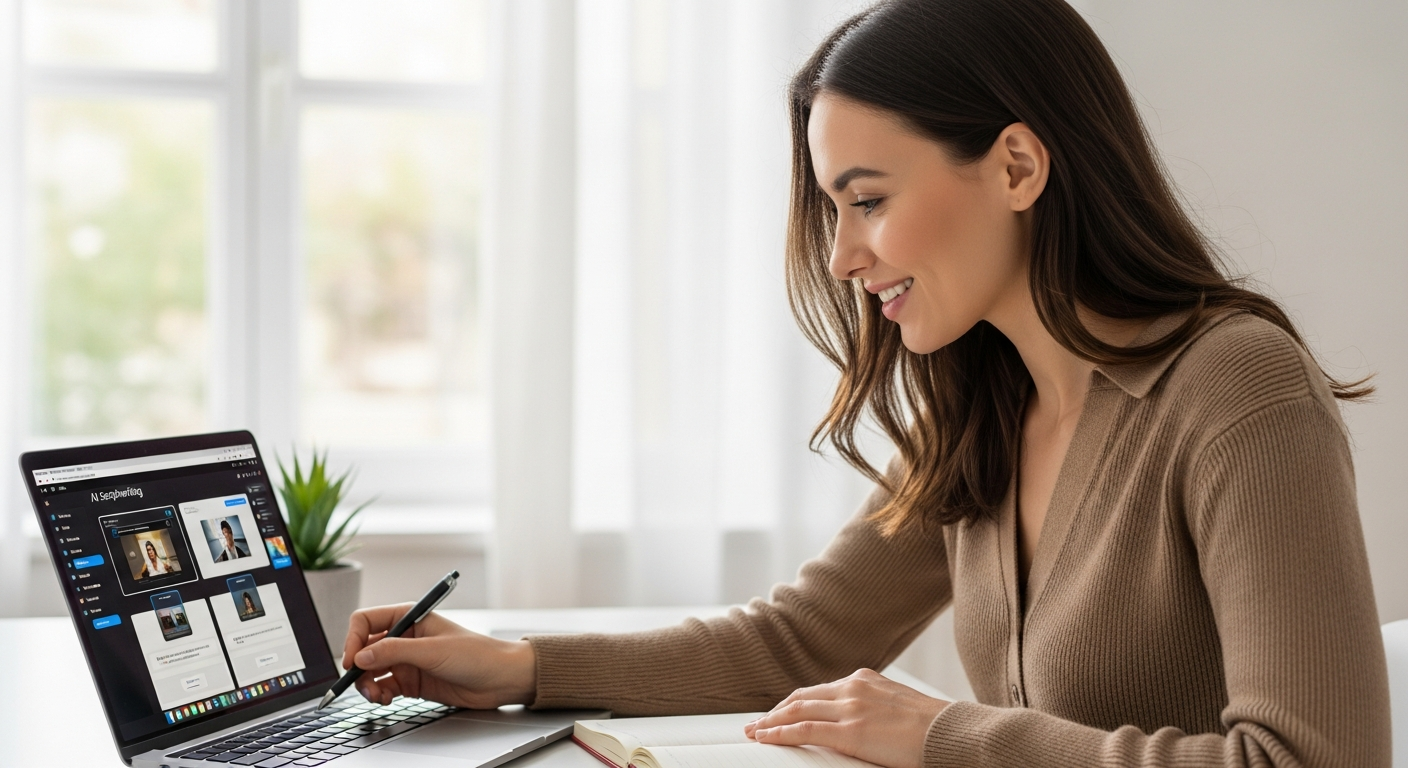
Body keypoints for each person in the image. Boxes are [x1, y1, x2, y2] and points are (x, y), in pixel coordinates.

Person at [339, 1, 1390, 766]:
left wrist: (947, 735)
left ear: (1018, 168)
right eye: (831, 209)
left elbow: (1310, 760)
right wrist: (517, 667)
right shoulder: (984, 405)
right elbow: (797, 641)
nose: (842, 256)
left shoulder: (1234, 390)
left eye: (868, 199)